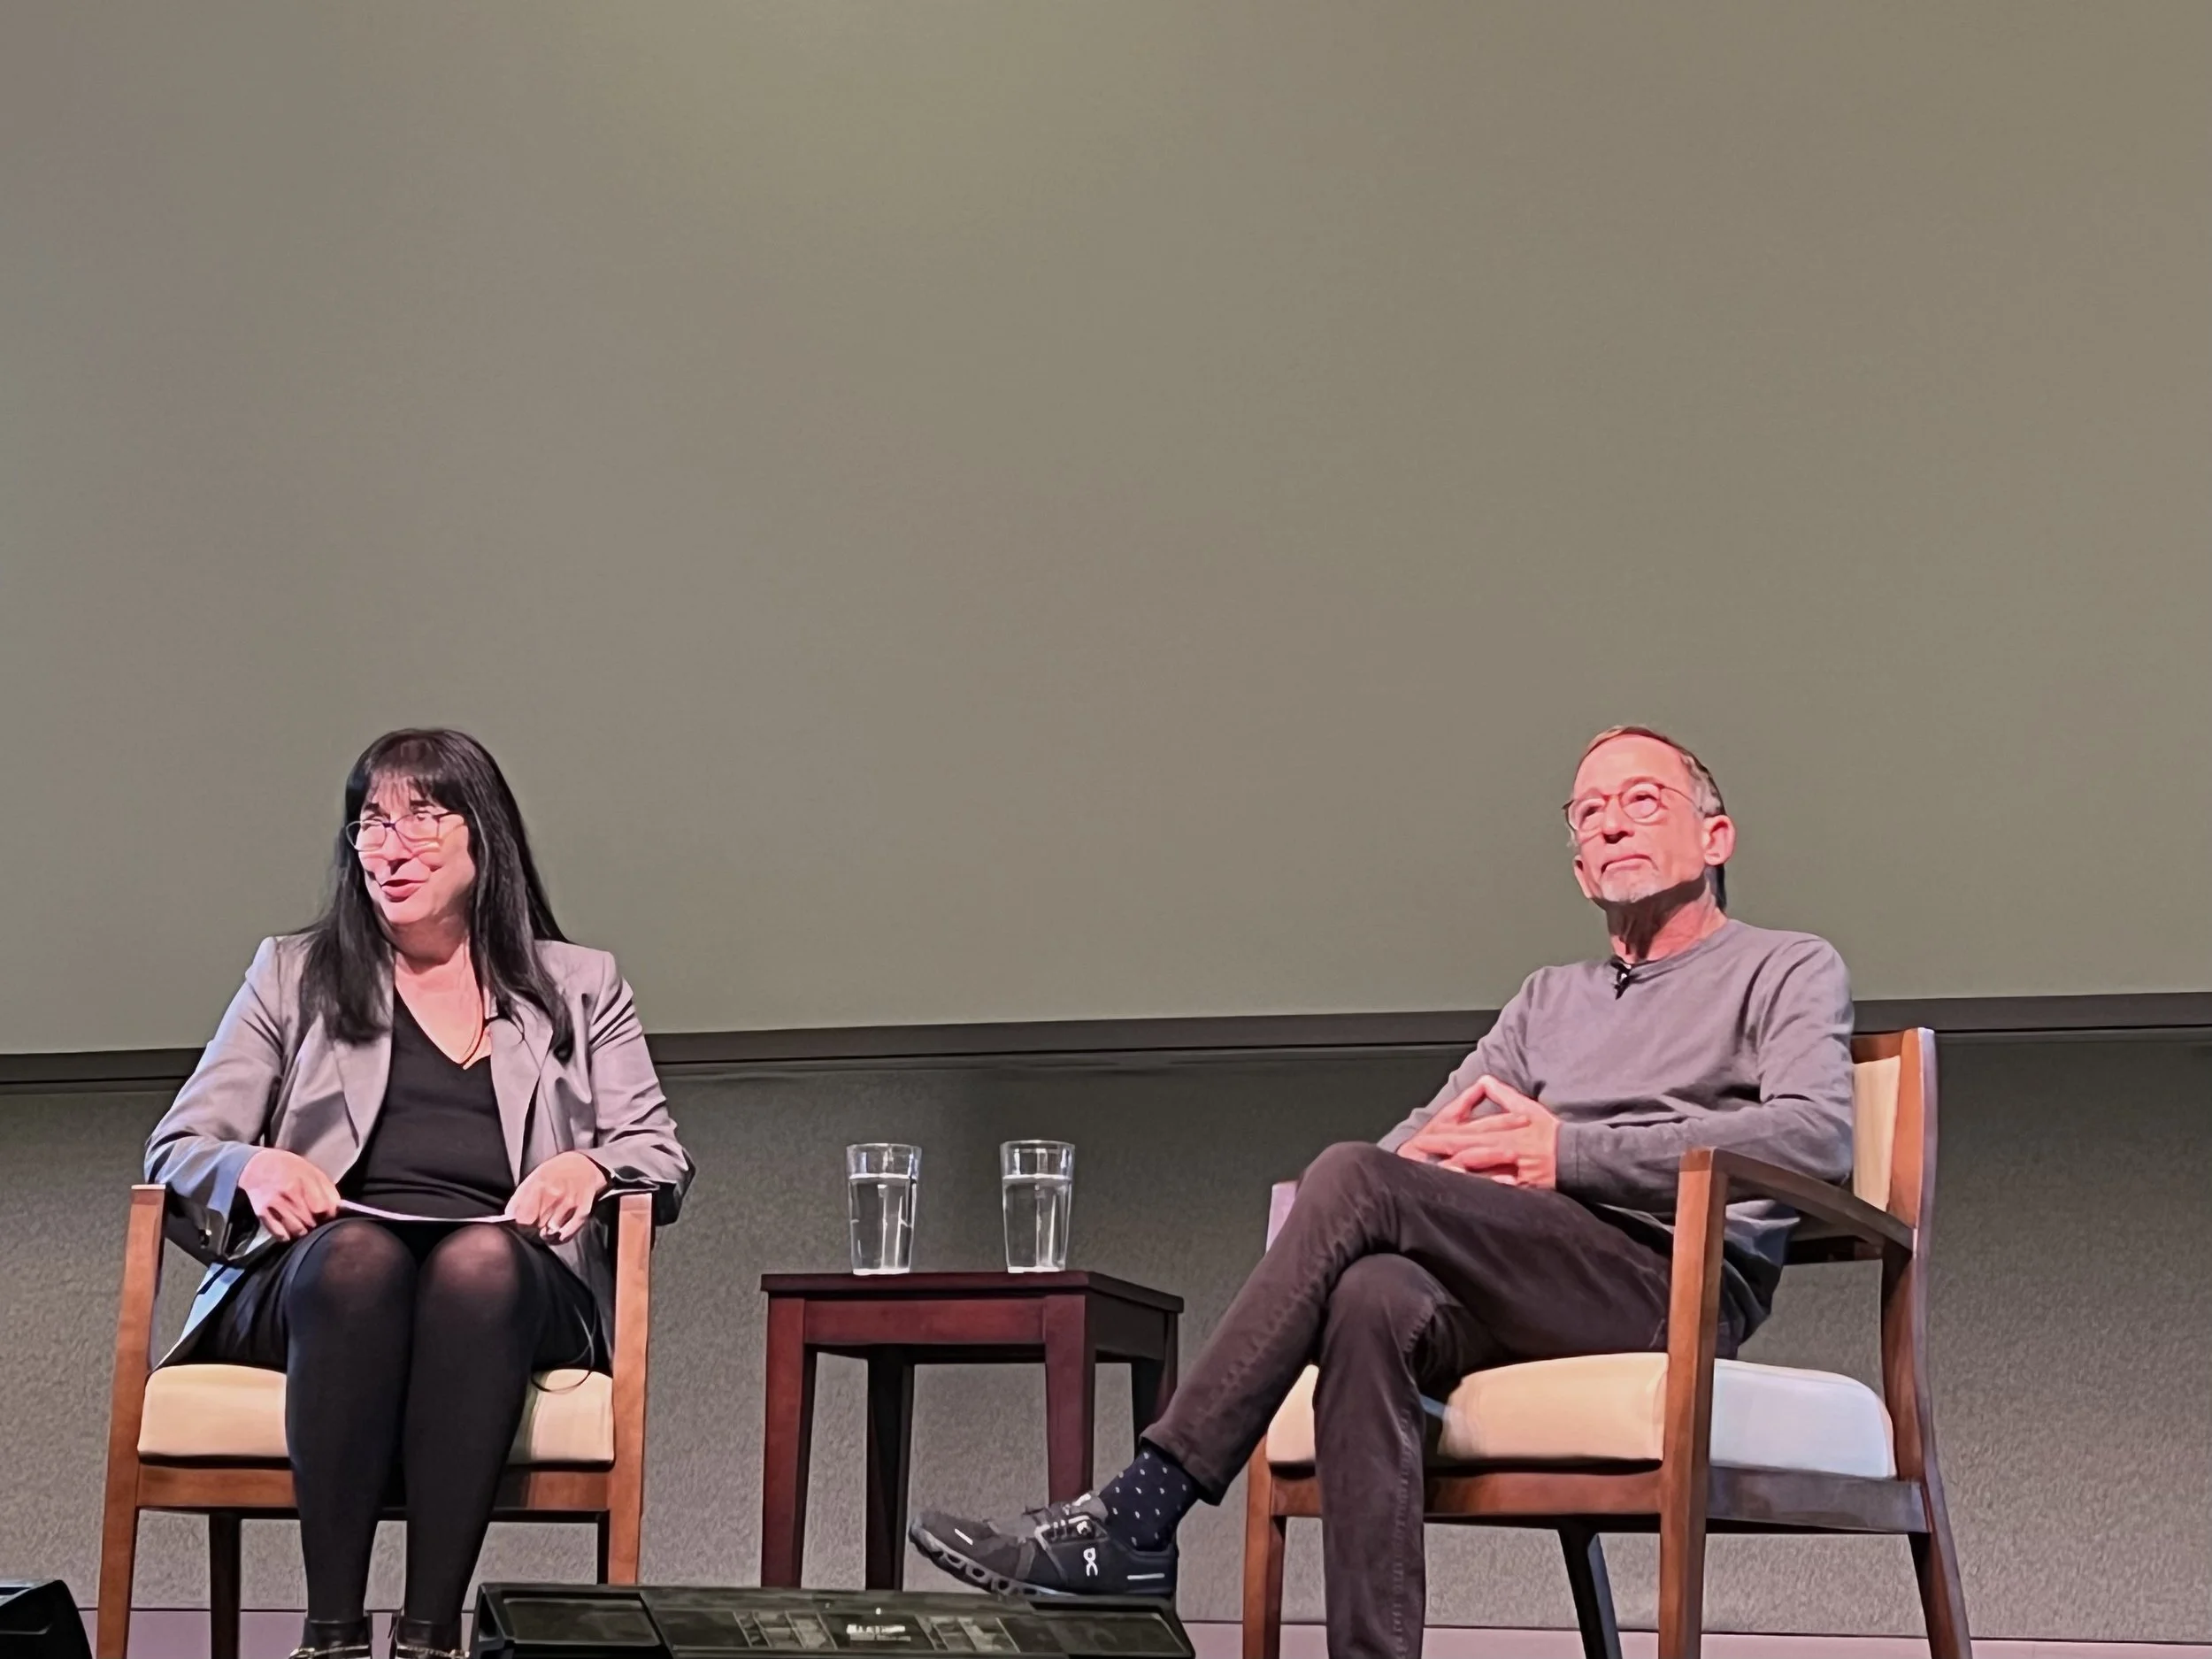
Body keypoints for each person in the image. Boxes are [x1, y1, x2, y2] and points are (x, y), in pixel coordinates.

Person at [908, 726, 1855, 1659]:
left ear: (1715, 838)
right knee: (1369, 1299)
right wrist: (1435, 1156)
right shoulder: (1545, 999)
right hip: (1527, 1271)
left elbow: (1818, 1133)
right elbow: (1415, 1137)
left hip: (1666, 1280)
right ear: (1576, 869)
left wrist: (1568, 1153)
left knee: (1355, 1176)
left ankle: (1139, 1513)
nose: (1610, 825)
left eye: (1641, 801)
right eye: (1588, 812)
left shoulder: (1784, 966)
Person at [145, 729, 695, 1659]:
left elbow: (659, 1151)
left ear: (485, 839)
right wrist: (252, 1169)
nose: (389, 847)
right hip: (318, 1276)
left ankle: (431, 1636)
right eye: (369, 824)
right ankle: (331, 1637)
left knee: (476, 1264)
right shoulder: (294, 973)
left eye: (420, 819)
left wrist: (590, 1167)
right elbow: (178, 1146)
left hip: (507, 1281)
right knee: (361, 1261)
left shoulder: (579, 985)